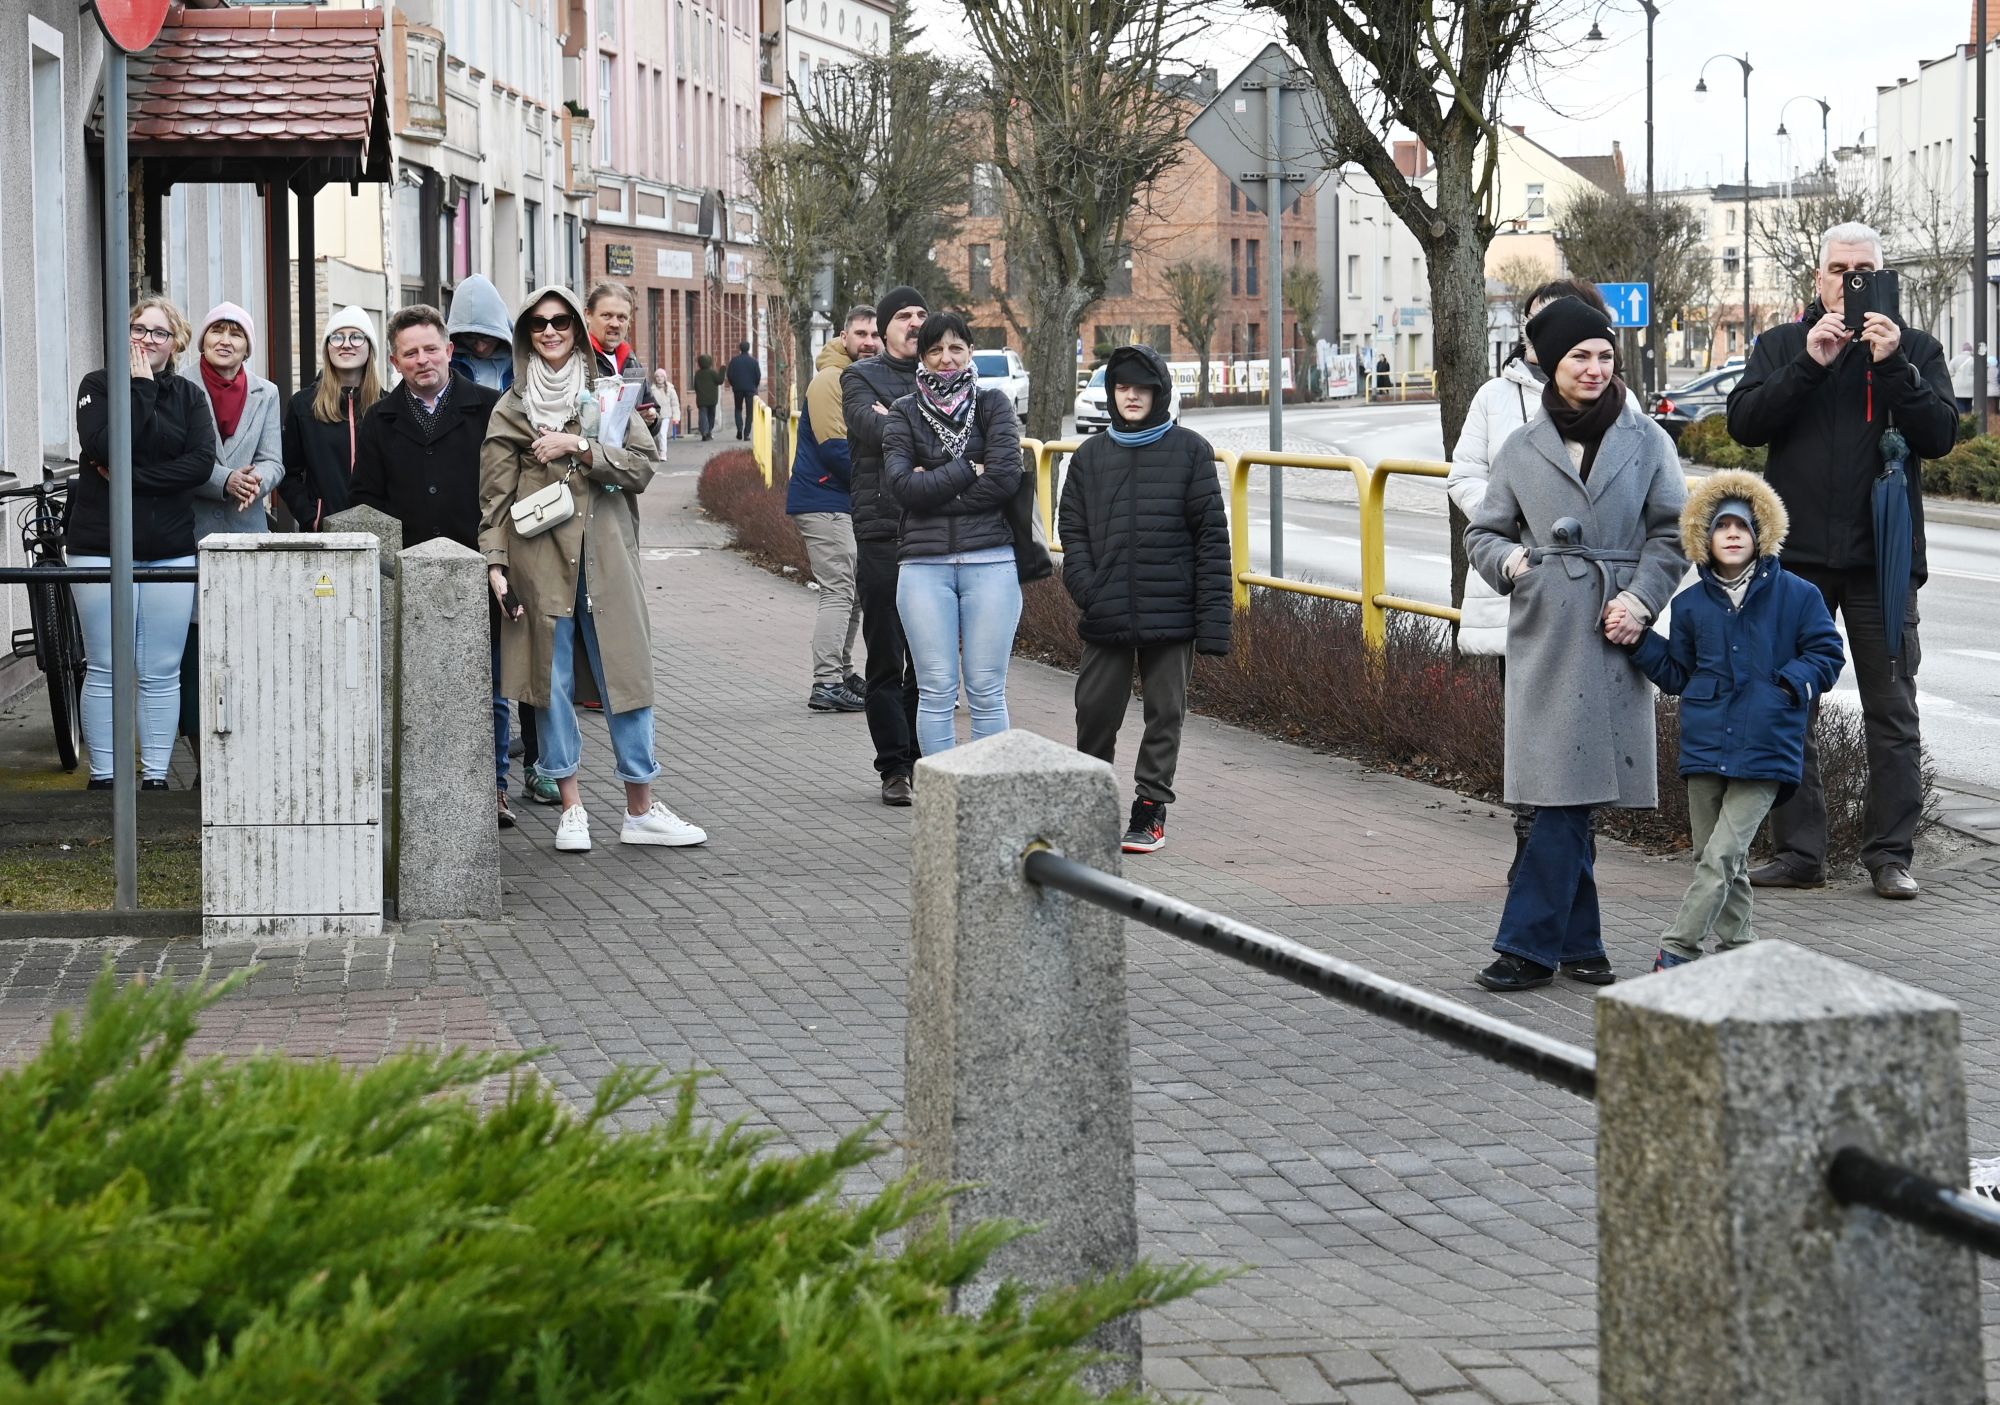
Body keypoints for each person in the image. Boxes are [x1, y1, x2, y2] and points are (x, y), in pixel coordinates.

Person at [1726, 221, 1957, 900]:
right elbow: (1745, 423)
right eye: (1839, 270)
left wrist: (1893, 366)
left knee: (1892, 710)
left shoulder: (1915, 348)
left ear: (1883, 279)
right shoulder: (1782, 344)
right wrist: (1810, 363)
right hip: (1796, 562)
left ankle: (1890, 857)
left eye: (1864, 272)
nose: (1850, 282)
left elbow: (1941, 434)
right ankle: (1801, 853)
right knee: (1788, 702)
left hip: (1882, 563)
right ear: (1818, 277)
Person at [1463, 296, 1688, 992]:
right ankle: (1573, 945)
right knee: (1563, 790)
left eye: (1604, 356)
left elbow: (1673, 533)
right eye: (1579, 357)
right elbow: (1484, 531)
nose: (1594, 368)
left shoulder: (1647, 440)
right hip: (1548, 633)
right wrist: (1512, 564)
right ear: (1552, 364)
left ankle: (1530, 947)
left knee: (1570, 795)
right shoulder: (1520, 446)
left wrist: (1640, 600)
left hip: (1615, 629)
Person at [480, 284, 705, 853]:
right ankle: (571, 808)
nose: (550, 331)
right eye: (538, 324)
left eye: (560, 321)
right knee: (550, 685)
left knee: (627, 676)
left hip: (607, 559)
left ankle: (641, 808)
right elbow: (495, 502)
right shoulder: (511, 409)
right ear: (525, 335)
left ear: (576, 329)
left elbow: (641, 468)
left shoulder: (609, 395)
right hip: (540, 563)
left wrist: (578, 447)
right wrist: (496, 567)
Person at [1624, 471, 1845, 972]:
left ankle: (1678, 948)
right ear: (1703, 537)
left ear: (1760, 533)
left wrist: (1786, 686)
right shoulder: (1689, 605)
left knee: (1722, 855)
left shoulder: (1798, 595)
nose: (1731, 534)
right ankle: (1741, 949)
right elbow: (1679, 674)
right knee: (1718, 857)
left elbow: (1827, 653)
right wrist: (1639, 641)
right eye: (1721, 526)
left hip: (1767, 747)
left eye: (1742, 526)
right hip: (1705, 747)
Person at [1447, 279, 1625, 881]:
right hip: (1524, 587)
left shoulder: (1620, 406)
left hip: (1594, 596)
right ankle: (1531, 847)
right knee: (1529, 726)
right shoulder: (1496, 398)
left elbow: (1646, 503)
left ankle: (1571, 854)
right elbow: (1467, 475)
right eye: (1540, 320)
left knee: (1586, 731)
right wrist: (1518, 535)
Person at [351, 304, 522, 826]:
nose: (422, 360)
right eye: (410, 354)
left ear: (449, 351)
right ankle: (427, 790)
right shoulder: (380, 419)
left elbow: (510, 486)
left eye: (430, 349)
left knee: (488, 688)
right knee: (419, 689)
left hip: (480, 567)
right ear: (395, 362)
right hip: (409, 574)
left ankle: (493, 788)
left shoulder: (490, 407)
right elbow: (366, 497)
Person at [1058, 343, 1230, 855]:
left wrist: (1213, 624)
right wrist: (1088, 589)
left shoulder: (1190, 451)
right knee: (1093, 711)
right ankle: (1091, 802)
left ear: (1160, 393)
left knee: (1164, 713)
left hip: (1172, 609)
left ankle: (1150, 808)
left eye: (1142, 388)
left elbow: (1211, 540)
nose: (1131, 396)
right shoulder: (1090, 456)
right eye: (1122, 387)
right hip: (1106, 608)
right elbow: (1072, 530)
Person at [70, 293, 215, 789]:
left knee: (161, 670)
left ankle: (155, 778)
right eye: (139, 329)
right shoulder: (98, 386)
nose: (147, 339)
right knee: (107, 667)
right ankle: (105, 777)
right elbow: (107, 446)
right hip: (100, 546)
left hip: (169, 548)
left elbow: (200, 465)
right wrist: (141, 389)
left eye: (159, 332)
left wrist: (131, 479)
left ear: (176, 343)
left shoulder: (190, 397)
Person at [882, 310, 1023, 757]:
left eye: (956, 348)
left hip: (991, 562)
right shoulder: (904, 412)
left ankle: (986, 789)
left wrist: (932, 486)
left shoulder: (993, 405)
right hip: (923, 567)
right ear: (922, 357)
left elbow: (1005, 478)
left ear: (970, 351)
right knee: (937, 690)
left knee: (987, 690)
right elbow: (902, 488)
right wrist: (967, 469)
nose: (947, 358)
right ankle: (943, 791)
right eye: (936, 350)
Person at [182, 302, 285, 756]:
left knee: (244, 645)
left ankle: (244, 752)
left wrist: (257, 480)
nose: (225, 340)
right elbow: (174, 458)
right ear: (202, 340)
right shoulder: (179, 386)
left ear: (248, 346)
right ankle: (200, 756)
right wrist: (225, 480)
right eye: (217, 331)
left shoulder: (267, 392)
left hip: (247, 530)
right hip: (188, 533)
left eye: (236, 333)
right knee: (195, 651)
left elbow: (274, 459)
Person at [844, 285, 929, 804]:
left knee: (928, 660)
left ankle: (920, 759)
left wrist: (895, 416)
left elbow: (968, 436)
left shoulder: (943, 375)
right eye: (903, 315)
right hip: (881, 532)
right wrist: (925, 426)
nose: (915, 322)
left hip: (934, 531)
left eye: (921, 314)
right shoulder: (860, 376)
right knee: (886, 656)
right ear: (884, 326)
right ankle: (894, 768)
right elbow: (867, 427)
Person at [787, 305, 880, 713]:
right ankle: (826, 682)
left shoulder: (860, 378)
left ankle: (841, 671)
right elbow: (835, 449)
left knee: (851, 592)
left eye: (875, 335)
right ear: (844, 337)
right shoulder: (831, 379)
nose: (869, 342)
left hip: (842, 501)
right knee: (839, 590)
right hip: (824, 499)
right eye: (861, 334)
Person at [279, 306, 382, 531]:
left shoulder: (388, 407)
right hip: (324, 534)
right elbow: (287, 473)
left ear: (370, 347)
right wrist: (312, 517)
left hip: (380, 532)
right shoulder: (303, 405)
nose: (346, 344)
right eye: (337, 337)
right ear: (327, 348)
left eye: (356, 337)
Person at [583, 281, 660, 431]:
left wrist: (652, 419)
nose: (615, 324)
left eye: (621, 317)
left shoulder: (632, 362)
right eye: (606, 316)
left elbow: (653, 408)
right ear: (588, 314)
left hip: (631, 447)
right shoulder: (577, 359)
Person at [447, 274, 516, 392]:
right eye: (469, 338)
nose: (480, 347)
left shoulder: (524, 360)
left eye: (487, 337)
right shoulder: (446, 365)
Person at [727, 339, 762, 440]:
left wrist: (734, 384)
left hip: (738, 388)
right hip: (750, 389)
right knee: (749, 412)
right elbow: (758, 376)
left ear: (740, 348)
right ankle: (746, 434)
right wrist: (755, 385)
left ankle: (739, 429)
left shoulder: (734, 361)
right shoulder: (754, 361)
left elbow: (729, 374)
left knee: (738, 409)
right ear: (748, 348)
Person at [692, 353, 722, 440]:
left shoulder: (698, 374)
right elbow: (720, 380)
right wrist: (723, 370)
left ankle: (704, 432)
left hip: (701, 398)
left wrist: (699, 392)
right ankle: (709, 431)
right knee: (711, 415)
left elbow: (695, 386)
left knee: (703, 415)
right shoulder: (712, 373)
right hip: (712, 399)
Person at [652, 367, 682, 439]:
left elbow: (675, 404)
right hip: (656, 415)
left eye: (662, 376)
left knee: (662, 433)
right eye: (657, 376)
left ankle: (663, 447)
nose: (659, 378)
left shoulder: (670, 389)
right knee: (657, 435)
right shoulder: (652, 389)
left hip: (666, 415)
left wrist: (676, 417)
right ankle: (659, 446)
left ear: (665, 378)